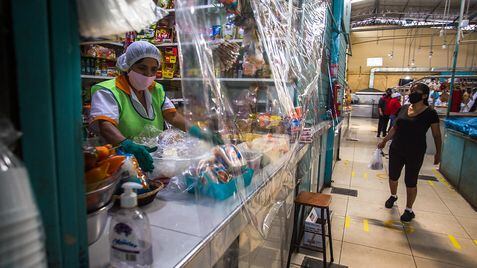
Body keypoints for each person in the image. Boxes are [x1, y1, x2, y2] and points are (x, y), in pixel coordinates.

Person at [89, 41, 220, 172]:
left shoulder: (155, 89)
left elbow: (173, 116)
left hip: (153, 159)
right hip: (120, 162)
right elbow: (105, 125)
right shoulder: (108, 90)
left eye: (153, 69)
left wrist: (199, 133)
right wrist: (128, 145)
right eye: (142, 67)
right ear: (128, 66)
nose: (148, 74)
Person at [377, 83, 442, 222]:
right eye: (411, 91)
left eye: (415, 91)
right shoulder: (404, 108)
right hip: (397, 148)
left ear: (424, 95)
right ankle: (393, 196)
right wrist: (384, 140)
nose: (412, 93)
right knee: (393, 176)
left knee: (410, 181)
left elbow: (437, 135)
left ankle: (409, 209)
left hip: (415, 151)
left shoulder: (430, 113)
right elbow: (395, 127)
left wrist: (438, 152)